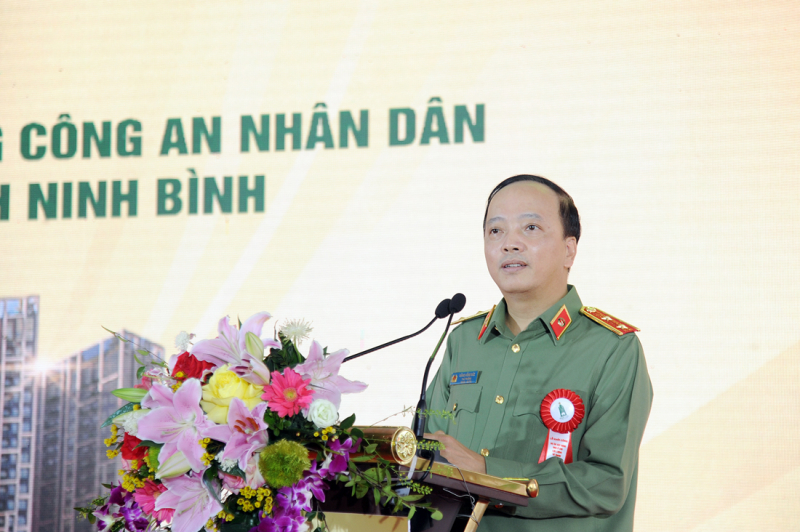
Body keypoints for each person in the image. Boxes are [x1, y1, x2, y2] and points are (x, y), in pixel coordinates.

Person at [424, 175, 652, 531]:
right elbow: (426, 456)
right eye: (495, 231)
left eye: (530, 228)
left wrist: (488, 473)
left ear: (569, 250)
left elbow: (606, 483)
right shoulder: (464, 341)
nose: (509, 244)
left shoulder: (612, 348)